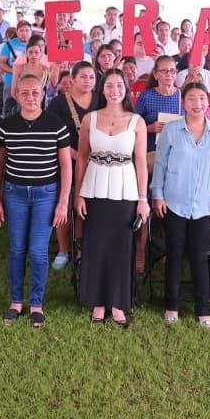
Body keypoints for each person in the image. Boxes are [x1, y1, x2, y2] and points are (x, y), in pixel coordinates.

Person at [150, 82, 210, 327]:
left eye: (202, 98)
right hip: (174, 203)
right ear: (183, 102)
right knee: (174, 255)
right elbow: (160, 164)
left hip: (206, 206)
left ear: (208, 102)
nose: (198, 104)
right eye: (192, 98)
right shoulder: (172, 129)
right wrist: (157, 194)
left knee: (199, 256)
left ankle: (203, 310)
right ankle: (171, 307)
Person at [0, 74, 71, 328]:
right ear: (16, 95)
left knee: (38, 251)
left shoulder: (56, 125)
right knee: (17, 249)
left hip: (45, 195)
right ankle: (16, 301)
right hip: (14, 194)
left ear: (43, 94)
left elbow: (66, 166)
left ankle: (36, 303)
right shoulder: (6, 126)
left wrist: (63, 202)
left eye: (35, 92)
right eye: (24, 92)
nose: (30, 97)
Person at [74, 69, 150, 326]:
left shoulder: (137, 121)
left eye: (119, 85)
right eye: (109, 85)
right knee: (95, 245)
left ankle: (118, 303)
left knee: (121, 247)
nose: (115, 90)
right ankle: (97, 301)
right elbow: (82, 157)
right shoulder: (90, 119)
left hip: (125, 191)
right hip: (94, 188)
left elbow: (141, 162)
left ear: (126, 89)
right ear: (102, 89)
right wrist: (79, 194)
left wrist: (143, 199)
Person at [44, 60, 97, 269]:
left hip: (95, 162)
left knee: (86, 207)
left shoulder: (100, 99)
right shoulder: (58, 103)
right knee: (64, 204)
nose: (88, 81)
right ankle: (63, 250)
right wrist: (74, 154)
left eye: (91, 77)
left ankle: (82, 249)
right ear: (72, 79)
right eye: (83, 76)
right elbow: (51, 134)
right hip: (65, 161)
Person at [135, 55, 183, 162]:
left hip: (178, 153)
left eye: (172, 71)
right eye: (164, 71)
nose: (169, 74)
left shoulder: (183, 96)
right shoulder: (146, 96)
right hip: (153, 153)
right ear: (155, 74)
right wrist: (150, 128)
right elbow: (133, 126)